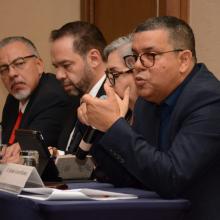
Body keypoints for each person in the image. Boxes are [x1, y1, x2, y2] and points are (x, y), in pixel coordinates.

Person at [78, 16, 220, 220]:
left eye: (150, 55)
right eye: (135, 56)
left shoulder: (210, 100)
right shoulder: (148, 102)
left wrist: (114, 126)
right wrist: (98, 126)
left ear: (184, 60)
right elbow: (129, 177)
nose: (137, 65)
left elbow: (172, 177)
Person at [0, 36, 75, 163]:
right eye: (4, 69)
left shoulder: (52, 95)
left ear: (39, 65)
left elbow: (28, 148)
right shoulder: (13, 100)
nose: (11, 74)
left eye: (19, 63)